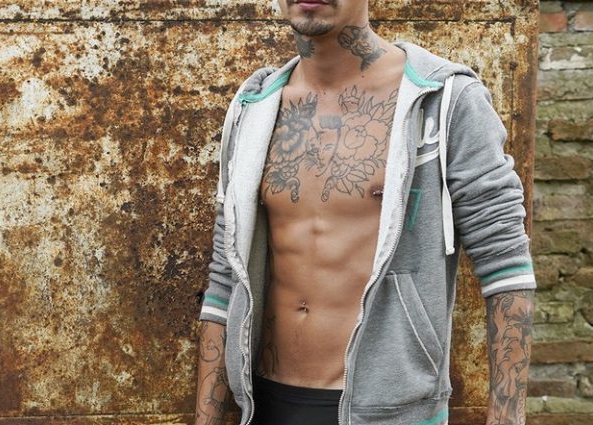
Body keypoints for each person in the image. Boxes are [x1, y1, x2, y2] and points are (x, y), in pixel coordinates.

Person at [194, 0, 536, 424]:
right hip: (266, 403)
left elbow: (506, 267)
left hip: (393, 411)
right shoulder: (255, 108)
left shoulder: (444, 99)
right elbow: (226, 276)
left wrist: (507, 418)